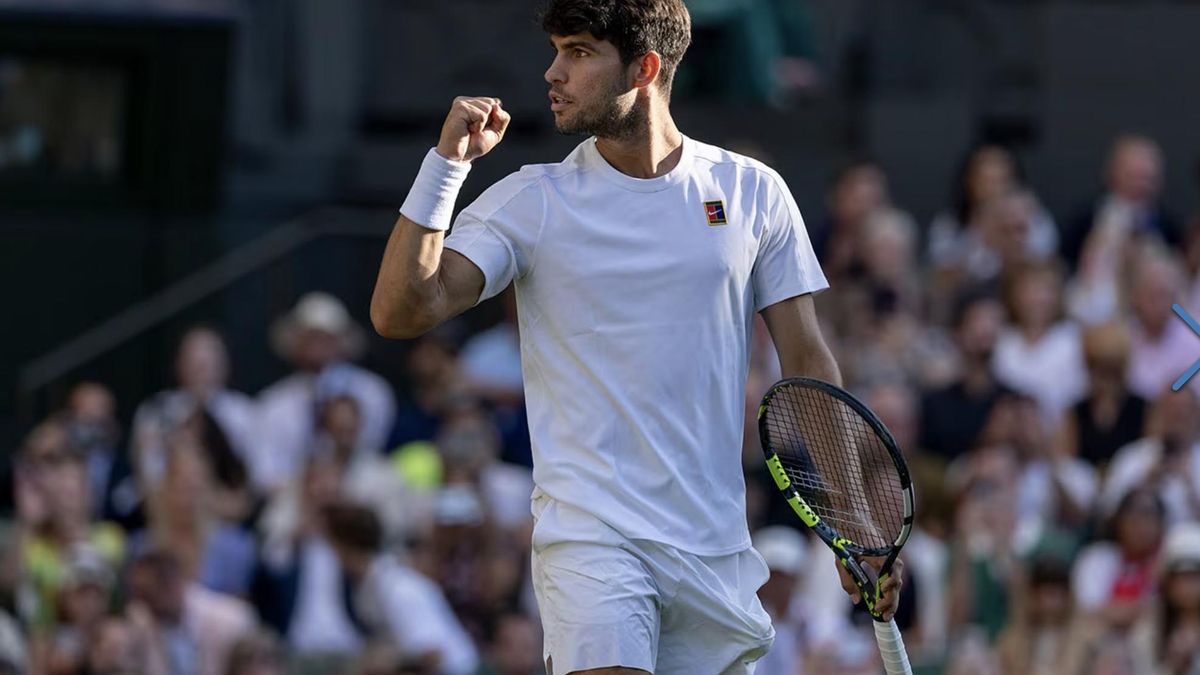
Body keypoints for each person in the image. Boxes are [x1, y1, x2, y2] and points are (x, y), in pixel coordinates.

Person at [369, 0, 902, 672]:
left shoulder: (752, 191)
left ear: (645, 68)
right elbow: (402, 311)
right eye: (558, 50)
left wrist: (853, 521)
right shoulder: (531, 200)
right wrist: (446, 166)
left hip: (714, 553)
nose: (553, 72)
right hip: (593, 540)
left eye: (580, 52)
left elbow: (806, 361)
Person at [256, 292, 397, 492]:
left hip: (360, 496)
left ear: (342, 341)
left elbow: (370, 451)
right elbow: (266, 473)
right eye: (310, 337)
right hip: (295, 502)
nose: (318, 346)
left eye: (325, 337)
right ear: (295, 343)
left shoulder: (372, 392)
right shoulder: (274, 404)